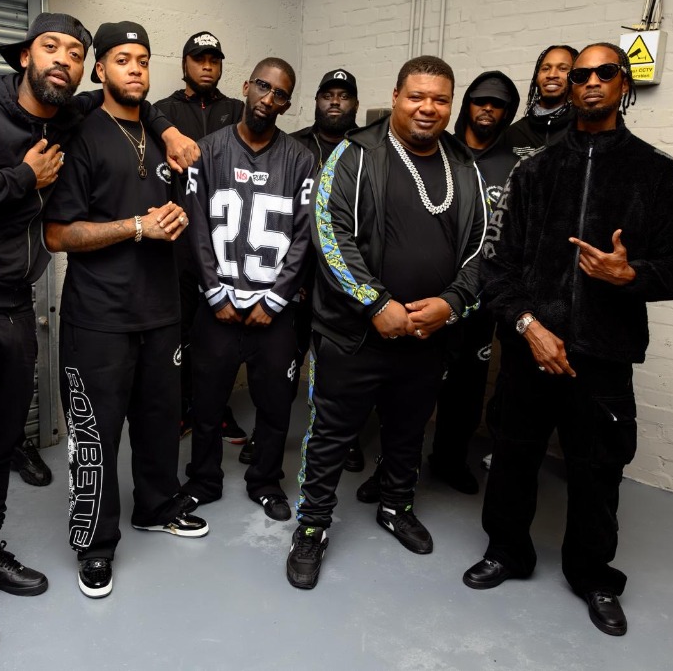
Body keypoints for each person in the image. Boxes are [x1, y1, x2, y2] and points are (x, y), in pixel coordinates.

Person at [0, 13, 197, 651]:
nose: (62, 60)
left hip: (15, 304)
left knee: (0, 445)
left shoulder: (67, 114)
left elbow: (128, 97)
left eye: (74, 51)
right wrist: (24, 178)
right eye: (51, 48)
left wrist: (168, 126)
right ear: (25, 56)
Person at [462, 43, 673, 637]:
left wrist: (630, 275)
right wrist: (529, 327)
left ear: (624, 85)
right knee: (513, 458)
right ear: (569, 88)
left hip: (603, 358)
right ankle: (507, 551)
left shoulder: (655, 172)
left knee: (598, 473)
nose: (591, 81)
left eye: (605, 72)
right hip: (531, 350)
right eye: (580, 75)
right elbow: (498, 269)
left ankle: (593, 575)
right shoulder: (535, 171)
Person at [286, 56, 487, 590]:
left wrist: (451, 305)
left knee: (407, 430)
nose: (428, 108)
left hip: (427, 335)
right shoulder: (355, 155)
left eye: (440, 99)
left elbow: (481, 249)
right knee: (330, 434)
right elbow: (328, 234)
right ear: (396, 97)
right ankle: (312, 527)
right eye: (416, 96)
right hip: (352, 334)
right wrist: (376, 303)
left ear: (451, 105)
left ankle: (396, 506)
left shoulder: (464, 165)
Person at [43, 21, 209, 601]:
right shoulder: (82, 133)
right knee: (96, 434)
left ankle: (157, 506)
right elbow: (58, 234)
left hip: (161, 308)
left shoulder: (167, 137)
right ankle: (94, 542)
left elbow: (173, 209)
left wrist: (173, 219)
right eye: (121, 59)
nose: (135, 68)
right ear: (99, 70)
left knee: (161, 422)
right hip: (98, 316)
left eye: (142, 59)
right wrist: (137, 226)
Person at [356, 70, 520, 503]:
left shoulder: (512, 164)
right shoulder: (433, 151)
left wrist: (457, 300)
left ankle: (447, 461)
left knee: (462, 389)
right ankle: (386, 472)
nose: (488, 109)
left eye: (498, 104)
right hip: (405, 306)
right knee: (400, 397)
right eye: (481, 100)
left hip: (470, 301)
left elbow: (502, 238)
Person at [180, 57, 315, 521]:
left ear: (286, 104)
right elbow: (196, 226)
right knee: (206, 405)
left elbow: (305, 236)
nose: (268, 98)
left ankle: (265, 481)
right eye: (263, 86)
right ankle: (203, 480)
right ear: (245, 86)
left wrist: (274, 300)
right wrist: (215, 293)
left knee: (275, 407)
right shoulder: (208, 151)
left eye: (280, 94)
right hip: (217, 308)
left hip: (272, 312)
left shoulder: (301, 159)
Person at [154, 31, 248, 446]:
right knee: (177, 330)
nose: (207, 66)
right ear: (185, 64)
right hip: (178, 242)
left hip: (227, 243)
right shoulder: (164, 112)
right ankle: (179, 409)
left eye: (214, 59)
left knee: (219, 334)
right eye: (199, 58)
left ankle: (216, 410)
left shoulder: (238, 111)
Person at [289, 68, 363, 473]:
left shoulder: (368, 148)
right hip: (297, 276)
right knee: (286, 359)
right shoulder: (294, 145)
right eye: (327, 94)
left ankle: (345, 441)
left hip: (344, 280)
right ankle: (270, 433)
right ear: (316, 100)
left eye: (344, 95)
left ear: (355, 103)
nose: (335, 101)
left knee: (342, 369)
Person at [502, 45, 578, 159]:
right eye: (545, 69)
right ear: (537, 77)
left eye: (562, 68)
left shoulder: (584, 127)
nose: (551, 75)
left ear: (575, 76)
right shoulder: (513, 133)